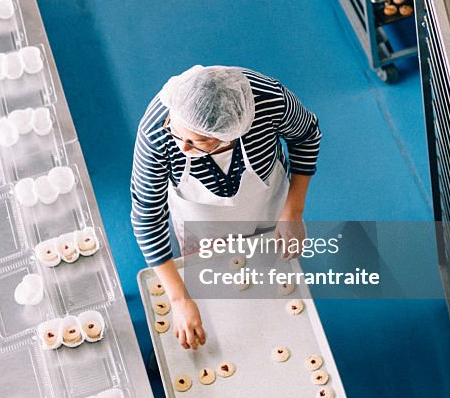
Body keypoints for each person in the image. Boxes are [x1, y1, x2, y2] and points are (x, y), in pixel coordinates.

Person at [131, 66, 321, 349]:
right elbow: (147, 217)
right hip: (202, 224)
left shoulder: (270, 101)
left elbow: (306, 135)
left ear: (232, 134)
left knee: (270, 280)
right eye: (178, 134)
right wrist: (179, 299)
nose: (183, 147)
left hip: (267, 209)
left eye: (198, 141)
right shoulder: (158, 131)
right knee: (211, 288)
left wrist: (294, 209)